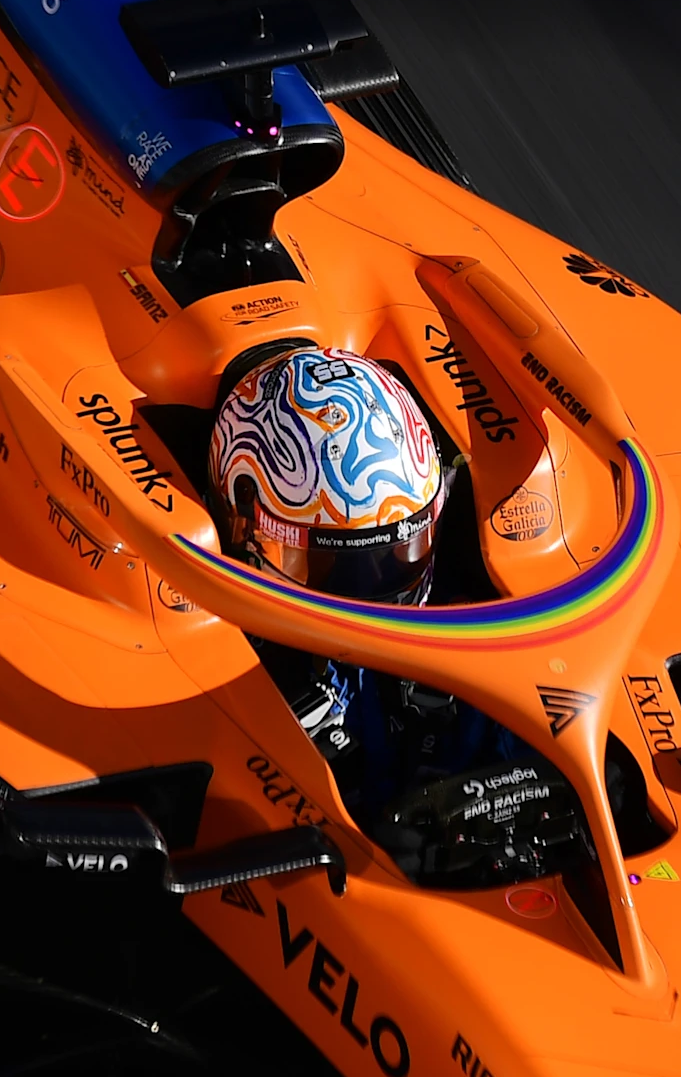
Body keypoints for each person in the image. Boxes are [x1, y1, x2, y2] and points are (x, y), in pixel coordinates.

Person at [211, 343, 585, 885]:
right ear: (245, 528)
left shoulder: (476, 601)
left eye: (395, 553)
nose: (375, 589)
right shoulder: (227, 657)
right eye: (331, 561)